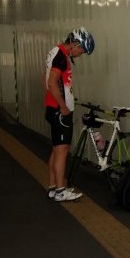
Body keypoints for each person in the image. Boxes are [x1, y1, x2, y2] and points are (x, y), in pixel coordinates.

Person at [44, 27, 94, 202]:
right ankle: (60, 190)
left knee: (57, 150)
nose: (81, 53)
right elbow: (51, 83)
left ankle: (53, 187)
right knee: (63, 151)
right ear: (74, 43)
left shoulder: (56, 52)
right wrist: (63, 106)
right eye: (82, 49)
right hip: (59, 111)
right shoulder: (61, 57)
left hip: (53, 108)